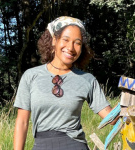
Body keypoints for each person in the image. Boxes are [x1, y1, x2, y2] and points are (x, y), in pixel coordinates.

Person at [13, 16, 118, 150]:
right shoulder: (31, 76)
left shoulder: (87, 80)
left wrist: (128, 104)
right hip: (41, 145)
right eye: (66, 40)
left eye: (77, 43)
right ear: (54, 40)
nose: (71, 47)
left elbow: (112, 118)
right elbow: (22, 122)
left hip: (75, 145)